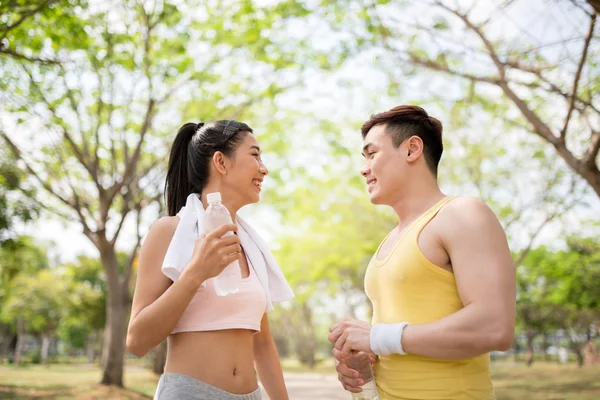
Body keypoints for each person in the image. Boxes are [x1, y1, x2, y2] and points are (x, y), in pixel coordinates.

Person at [328, 105, 516, 400]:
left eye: (371, 154)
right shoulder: (390, 240)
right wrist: (364, 369)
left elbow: (494, 327)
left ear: (412, 149)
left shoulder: (462, 214)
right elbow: (399, 347)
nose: (363, 169)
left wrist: (377, 338)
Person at [127, 120, 293, 400]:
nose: (263, 168)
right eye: (254, 155)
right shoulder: (169, 232)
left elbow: (262, 344)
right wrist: (195, 273)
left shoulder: (250, 244)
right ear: (221, 162)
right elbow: (137, 341)